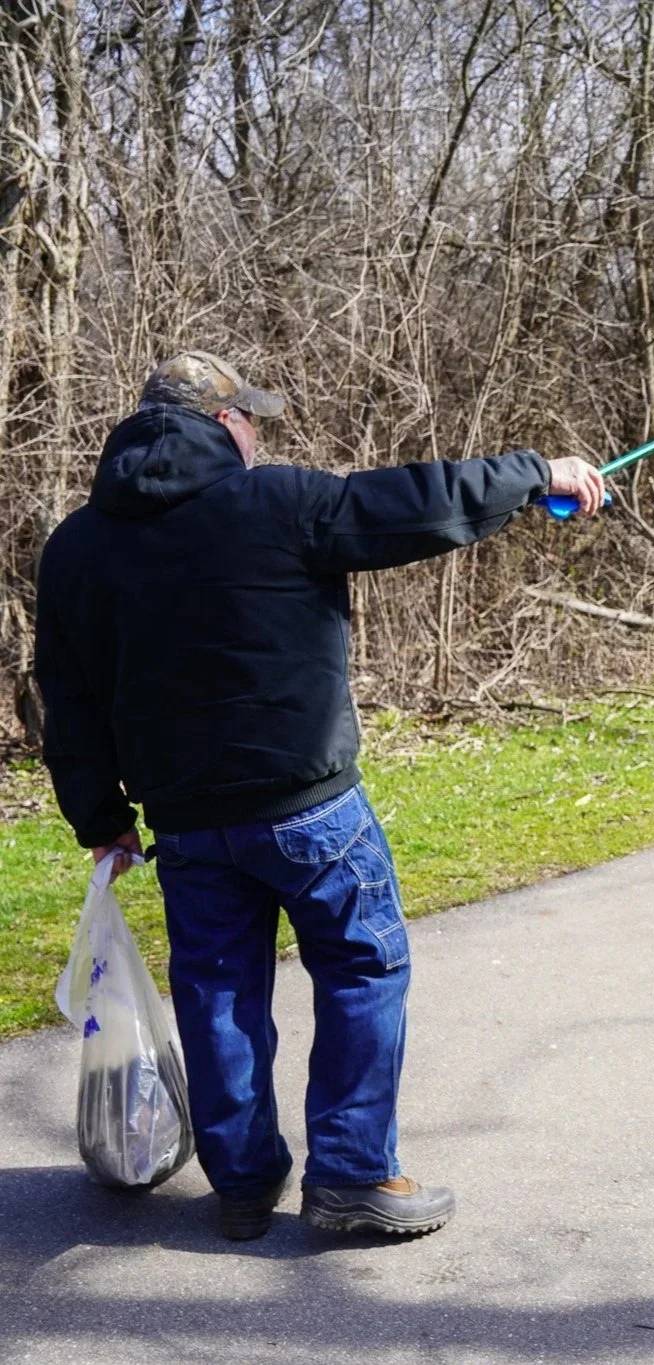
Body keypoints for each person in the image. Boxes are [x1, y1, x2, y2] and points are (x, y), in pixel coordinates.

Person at [35, 351, 606, 1240]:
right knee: (361, 970)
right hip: (312, 812)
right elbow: (416, 503)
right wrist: (536, 474)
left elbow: (64, 700)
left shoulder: (75, 547)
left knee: (217, 994)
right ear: (225, 424)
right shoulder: (280, 502)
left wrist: (100, 820)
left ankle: (244, 1184)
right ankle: (351, 1177)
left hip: (186, 827)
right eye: (250, 419)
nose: (257, 433)